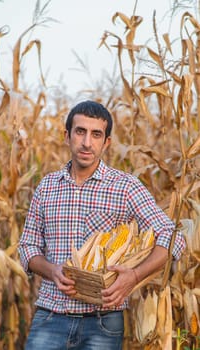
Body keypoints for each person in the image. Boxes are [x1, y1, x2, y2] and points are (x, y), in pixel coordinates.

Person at [19, 100, 186, 350]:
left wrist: (135, 276)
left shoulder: (125, 187)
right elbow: (28, 247)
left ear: (106, 142)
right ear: (67, 136)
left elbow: (172, 236)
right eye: (80, 131)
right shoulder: (47, 187)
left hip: (103, 322)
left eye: (96, 134)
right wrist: (52, 271)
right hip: (51, 315)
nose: (87, 142)